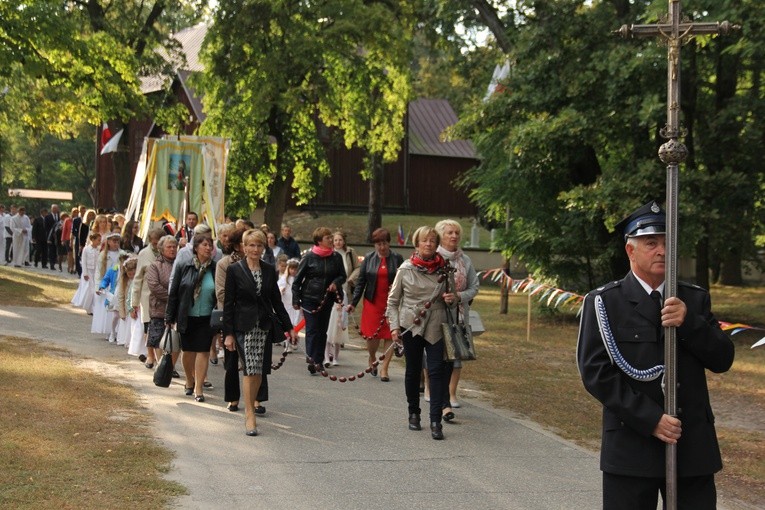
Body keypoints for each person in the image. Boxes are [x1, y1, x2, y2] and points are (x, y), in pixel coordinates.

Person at [576, 201, 735, 509]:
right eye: (651, 243)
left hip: (692, 448)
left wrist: (689, 322)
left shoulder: (694, 299)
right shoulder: (604, 302)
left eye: (667, 243)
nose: (662, 250)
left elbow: (722, 359)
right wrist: (650, 419)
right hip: (632, 445)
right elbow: (595, 373)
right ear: (630, 251)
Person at [223, 228, 297, 436]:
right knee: (249, 368)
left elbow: (276, 301)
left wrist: (289, 327)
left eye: (259, 245)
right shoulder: (235, 270)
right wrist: (228, 333)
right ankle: (249, 413)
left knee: (258, 370)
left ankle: (251, 406)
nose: (255, 249)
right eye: (252, 245)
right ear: (244, 248)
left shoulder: (268, 269)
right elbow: (229, 303)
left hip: (263, 326)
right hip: (242, 326)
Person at [387, 226, 455, 440]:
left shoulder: (445, 269)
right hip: (411, 324)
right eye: (425, 240)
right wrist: (395, 326)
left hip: (436, 324)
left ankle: (435, 420)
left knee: (436, 372)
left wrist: (451, 299)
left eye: (433, 241)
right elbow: (393, 301)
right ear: (417, 244)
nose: (429, 244)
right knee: (413, 370)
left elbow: (451, 298)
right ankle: (413, 413)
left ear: (437, 245)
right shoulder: (406, 269)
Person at [165, 234, 217, 402]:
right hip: (187, 315)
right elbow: (174, 293)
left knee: (203, 351)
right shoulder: (184, 266)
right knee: (188, 352)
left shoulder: (215, 268)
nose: (208, 248)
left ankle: (199, 388)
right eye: (205, 245)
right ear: (196, 248)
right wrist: (169, 316)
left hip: (207, 317)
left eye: (210, 245)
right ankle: (189, 379)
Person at [435, 219, 480, 414]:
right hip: (437, 314)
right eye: (449, 233)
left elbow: (474, 287)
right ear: (441, 236)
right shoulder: (433, 257)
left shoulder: (465, 260)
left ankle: (450, 396)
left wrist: (459, 296)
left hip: (459, 316)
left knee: (455, 356)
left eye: (456, 233)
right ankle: (435, 395)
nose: (454, 236)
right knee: (437, 358)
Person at [348, 228, 403, 381]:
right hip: (372, 302)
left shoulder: (397, 258)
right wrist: (353, 302)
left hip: (391, 303)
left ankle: (384, 367)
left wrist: (397, 287)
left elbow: (404, 279)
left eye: (384, 243)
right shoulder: (368, 259)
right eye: (378, 244)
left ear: (389, 243)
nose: (382, 247)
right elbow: (361, 283)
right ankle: (372, 357)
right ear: (374, 245)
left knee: (390, 335)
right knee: (372, 336)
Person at [292, 227, 346, 373]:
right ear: (319, 241)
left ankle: (319, 361)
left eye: (331, 237)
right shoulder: (309, 257)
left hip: (327, 298)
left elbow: (343, 275)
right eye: (328, 238)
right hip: (309, 298)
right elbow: (297, 281)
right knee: (312, 329)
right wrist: (296, 299)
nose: (331, 240)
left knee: (322, 330)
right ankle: (311, 358)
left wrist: (335, 283)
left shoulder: (336, 257)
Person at [323, 230, 359, 367]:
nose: (337, 242)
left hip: (345, 290)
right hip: (332, 291)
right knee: (329, 323)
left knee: (340, 321)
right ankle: (327, 353)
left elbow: (358, 268)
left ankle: (336, 350)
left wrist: (351, 279)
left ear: (344, 241)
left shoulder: (349, 253)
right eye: (335, 240)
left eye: (340, 240)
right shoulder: (330, 253)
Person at [130, 227, 164, 366]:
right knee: (148, 326)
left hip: (163, 296)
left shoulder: (168, 252)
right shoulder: (144, 254)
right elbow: (137, 279)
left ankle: (162, 359)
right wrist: (134, 302)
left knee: (162, 328)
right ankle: (150, 355)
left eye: (158, 243)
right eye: (154, 243)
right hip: (147, 296)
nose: (156, 246)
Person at [145, 235, 179, 370]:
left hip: (177, 309)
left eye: (174, 247)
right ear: (161, 249)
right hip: (159, 308)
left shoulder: (180, 264)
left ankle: (171, 367)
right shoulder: (155, 266)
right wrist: (173, 298)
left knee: (175, 339)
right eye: (169, 247)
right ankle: (161, 366)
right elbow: (154, 286)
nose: (172, 249)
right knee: (160, 339)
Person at [71, 232, 100, 313]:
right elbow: (83, 261)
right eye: (98, 240)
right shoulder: (86, 249)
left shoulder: (98, 250)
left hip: (95, 272)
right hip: (88, 271)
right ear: (93, 240)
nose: (99, 242)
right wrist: (85, 273)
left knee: (94, 290)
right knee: (89, 290)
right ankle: (87, 306)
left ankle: (91, 308)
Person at [45, 204, 61, 270]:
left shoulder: (60, 217)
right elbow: (46, 227)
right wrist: (51, 234)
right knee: (51, 250)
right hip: (51, 237)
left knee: (56, 251)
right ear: (51, 209)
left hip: (58, 237)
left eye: (56, 208)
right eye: (53, 208)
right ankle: (52, 264)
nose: (55, 210)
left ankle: (55, 262)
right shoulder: (47, 217)